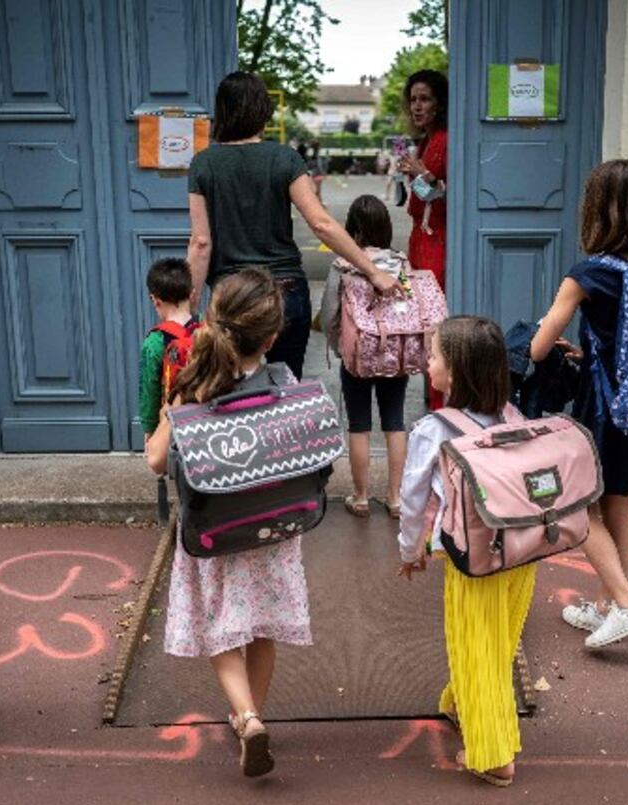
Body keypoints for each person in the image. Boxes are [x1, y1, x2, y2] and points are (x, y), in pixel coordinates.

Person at [396, 317, 628, 787]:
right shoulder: (514, 417)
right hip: (521, 551)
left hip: (472, 559)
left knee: (476, 645)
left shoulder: (434, 429)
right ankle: (461, 702)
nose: (427, 363)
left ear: (457, 373)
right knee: (499, 640)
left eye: (434, 356)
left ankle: (494, 754)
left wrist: (411, 549)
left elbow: (413, 500)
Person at [144, 268, 312, 779]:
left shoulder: (195, 386)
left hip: (212, 532)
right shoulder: (283, 382)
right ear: (273, 335)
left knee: (220, 627)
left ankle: (248, 717)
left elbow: (156, 460)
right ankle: (249, 717)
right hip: (272, 530)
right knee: (262, 627)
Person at [529, 160, 628, 640]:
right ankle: (607, 604)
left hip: (603, 410)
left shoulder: (587, 274)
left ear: (596, 210)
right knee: (618, 506)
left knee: (580, 508)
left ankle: (626, 605)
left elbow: (539, 347)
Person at [188, 72, 395, 380]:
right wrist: (374, 271)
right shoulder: (285, 158)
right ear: (263, 111)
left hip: (233, 296)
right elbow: (322, 223)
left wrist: (188, 308)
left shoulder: (203, 163)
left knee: (230, 391)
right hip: (286, 292)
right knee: (286, 392)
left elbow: (201, 243)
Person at [330, 195, 409, 519]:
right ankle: (394, 499)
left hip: (358, 354)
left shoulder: (342, 263)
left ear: (353, 229)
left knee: (359, 424)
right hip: (395, 354)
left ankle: (361, 497)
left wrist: (339, 345)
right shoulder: (400, 261)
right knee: (395, 422)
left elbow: (330, 311)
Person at [397, 69, 450, 411]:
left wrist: (420, 175)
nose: (417, 106)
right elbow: (427, 195)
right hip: (423, 238)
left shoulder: (443, 140)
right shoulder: (427, 139)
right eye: (413, 99)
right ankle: (434, 400)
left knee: (434, 325)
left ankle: (439, 404)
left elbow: (444, 197)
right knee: (426, 323)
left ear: (440, 103)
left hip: (435, 240)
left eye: (425, 99)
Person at [137, 257, 197, 437]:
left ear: (155, 300)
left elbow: (149, 390)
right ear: (192, 294)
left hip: (172, 423)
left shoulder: (155, 341)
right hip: (208, 418)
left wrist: (150, 429)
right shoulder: (208, 329)